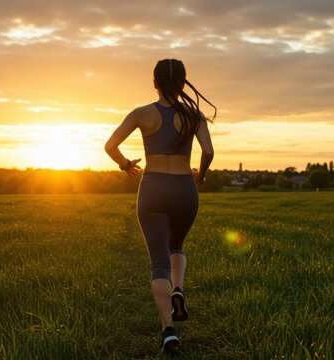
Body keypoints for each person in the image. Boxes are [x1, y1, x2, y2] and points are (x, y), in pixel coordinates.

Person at [104, 58, 216, 353]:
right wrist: (200, 175)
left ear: (154, 82)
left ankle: (168, 330)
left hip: (153, 188)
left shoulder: (142, 114)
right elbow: (208, 150)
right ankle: (178, 290)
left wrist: (126, 165)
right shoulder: (194, 115)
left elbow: (110, 146)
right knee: (176, 246)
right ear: (182, 83)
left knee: (158, 264)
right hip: (184, 189)